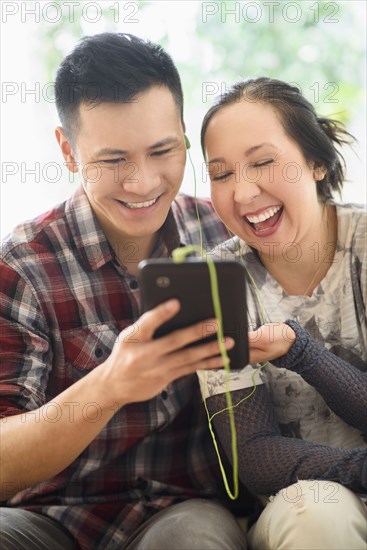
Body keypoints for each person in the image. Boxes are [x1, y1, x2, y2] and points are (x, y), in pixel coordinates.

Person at [0, 33, 250, 550]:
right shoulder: (22, 266)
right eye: (114, 160)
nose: (143, 183)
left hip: (183, 511)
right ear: (69, 151)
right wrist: (111, 384)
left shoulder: (223, 237)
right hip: (47, 516)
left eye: (162, 150)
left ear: (184, 135)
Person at [199, 77, 367, 549]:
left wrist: (302, 353)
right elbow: (254, 457)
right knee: (318, 511)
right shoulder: (217, 282)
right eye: (221, 173)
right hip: (303, 511)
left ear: (316, 162)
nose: (244, 193)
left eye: (263, 162)